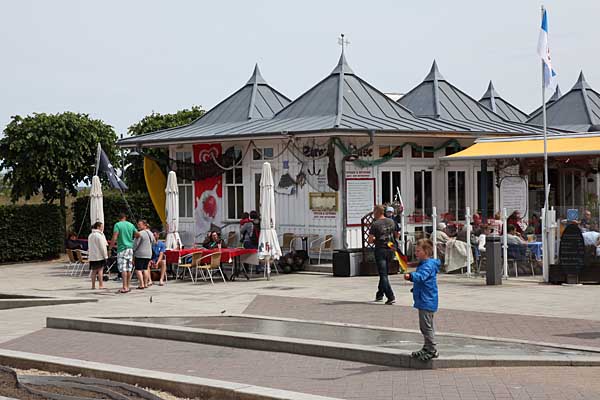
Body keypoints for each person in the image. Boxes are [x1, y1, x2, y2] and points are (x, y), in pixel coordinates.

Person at [403, 239, 440, 361]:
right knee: (424, 325)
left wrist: (411, 276)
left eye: (418, 251)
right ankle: (426, 347)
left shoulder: (428, 265)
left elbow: (422, 276)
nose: (416, 253)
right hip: (424, 298)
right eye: (416, 251)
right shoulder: (424, 264)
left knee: (426, 326)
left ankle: (432, 349)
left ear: (426, 252)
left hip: (427, 300)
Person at [368, 205, 396, 305]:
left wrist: (377, 239)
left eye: (374, 212)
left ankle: (390, 296)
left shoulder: (375, 224)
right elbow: (396, 234)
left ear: (377, 212)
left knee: (383, 274)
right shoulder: (391, 221)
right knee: (384, 273)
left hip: (380, 250)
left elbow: (370, 240)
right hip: (391, 249)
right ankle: (380, 294)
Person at [110, 213, 139, 293]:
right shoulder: (131, 225)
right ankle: (128, 286)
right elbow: (138, 234)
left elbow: (115, 236)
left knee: (123, 269)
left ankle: (124, 287)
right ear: (125, 217)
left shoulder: (117, 225)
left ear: (118, 218)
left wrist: (110, 247)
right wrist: (131, 239)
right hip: (130, 248)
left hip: (122, 249)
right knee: (129, 268)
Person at [133, 219, 155, 289]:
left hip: (140, 253)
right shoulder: (151, 233)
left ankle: (141, 284)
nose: (138, 226)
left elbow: (136, 244)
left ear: (144, 225)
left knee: (138, 269)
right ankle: (145, 283)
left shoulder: (140, 233)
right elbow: (154, 242)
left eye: (140, 225)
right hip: (148, 253)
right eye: (138, 225)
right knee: (145, 268)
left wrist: (133, 250)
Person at [88, 222, 108, 290]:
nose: (103, 228)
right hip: (99, 256)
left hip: (92, 256)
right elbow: (102, 247)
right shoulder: (99, 235)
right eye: (102, 226)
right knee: (100, 270)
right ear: (98, 227)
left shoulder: (90, 235)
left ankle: (93, 286)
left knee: (93, 271)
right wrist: (105, 256)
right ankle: (101, 285)